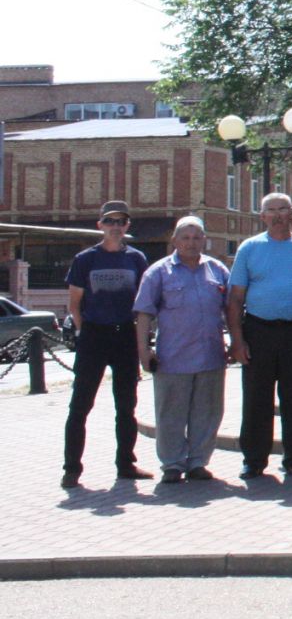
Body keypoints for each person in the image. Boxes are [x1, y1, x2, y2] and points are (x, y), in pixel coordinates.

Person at [227, 192, 292, 479]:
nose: (278, 215)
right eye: (271, 210)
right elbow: (235, 299)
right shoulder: (249, 248)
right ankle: (254, 460)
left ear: (291, 214)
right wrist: (237, 339)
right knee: (257, 398)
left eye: (283, 209)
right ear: (262, 216)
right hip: (258, 331)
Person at [61, 200, 152, 488]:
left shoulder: (136, 259)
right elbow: (74, 304)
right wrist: (83, 332)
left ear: (127, 226)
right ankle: (71, 469)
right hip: (94, 336)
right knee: (80, 406)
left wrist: (142, 343)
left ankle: (126, 464)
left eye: (120, 222)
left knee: (126, 406)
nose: (115, 227)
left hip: (124, 335)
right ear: (99, 225)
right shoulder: (85, 259)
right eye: (109, 221)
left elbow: (144, 303)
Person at [132, 215, 229, 484]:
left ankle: (198, 462)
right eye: (185, 238)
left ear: (204, 240)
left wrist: (236, 343)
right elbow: (143, 315)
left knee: (208, 413)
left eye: (197, 237)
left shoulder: (217, 270)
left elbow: (231, 309)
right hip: (172, 358)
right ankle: (172, 464)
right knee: (171, 414)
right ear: (174, 241)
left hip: (211, 356)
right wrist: (144, 351)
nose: (191, 243)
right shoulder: (158, 272)